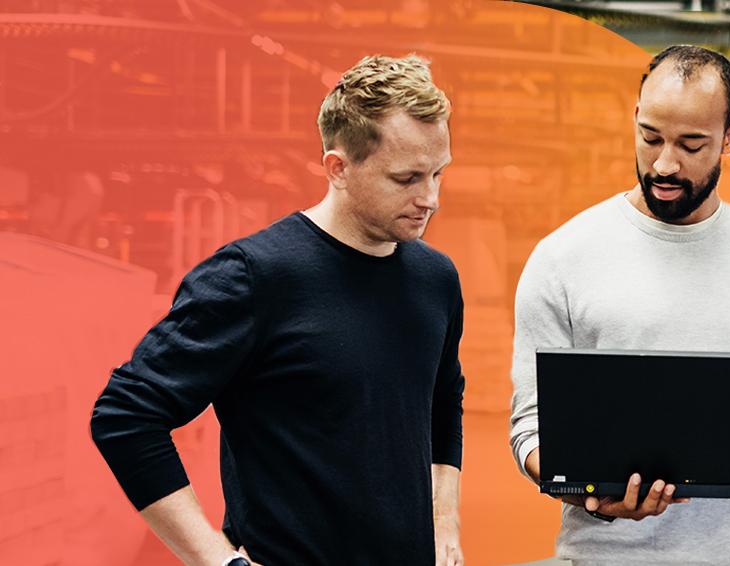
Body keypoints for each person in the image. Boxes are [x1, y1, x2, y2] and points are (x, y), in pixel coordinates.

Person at [91, 54, 465, 566]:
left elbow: (443, 404)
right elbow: (126, 416)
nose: (430, 198)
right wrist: (221, 562)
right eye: (406, 179)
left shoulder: (436, 279)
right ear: (338, 168)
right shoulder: (252, 277)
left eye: (438, 173)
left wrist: (444, 526)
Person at [509, 45, 730, 565]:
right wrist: (595, 499)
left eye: (691, 144)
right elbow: (530, 427)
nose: (664, 163)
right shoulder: (562, 258)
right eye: (650, 137)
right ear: (636, 117)